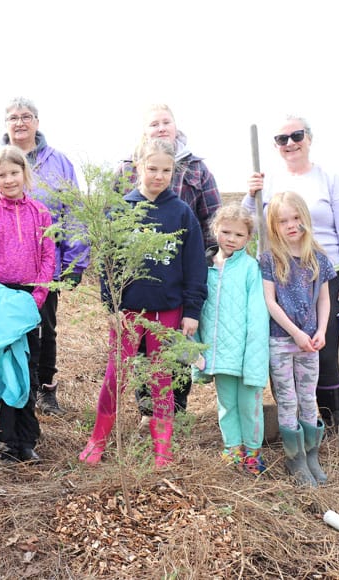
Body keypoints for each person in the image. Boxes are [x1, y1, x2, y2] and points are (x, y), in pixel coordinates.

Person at [78, 138, 206, 468]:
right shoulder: (121, 210)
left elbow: (194, 266)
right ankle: (98, 439)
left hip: (167, 311)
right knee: (115, 376)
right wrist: (112, 305)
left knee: (161, 378)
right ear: (138, 168)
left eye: (166, 170)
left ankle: (162, 448)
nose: (159, 176)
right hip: (128, 311)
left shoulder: (181, 213)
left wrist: (192, 311)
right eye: (152, 169)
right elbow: (108, 263)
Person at [245, 115, 339, 448]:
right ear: (275, 146)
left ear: (309, 138)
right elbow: (251, 221)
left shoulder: (330, 179)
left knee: (321, 352)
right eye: (282, 139)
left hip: (324, 273)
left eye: (296, 135)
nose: (290, 143)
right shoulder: (267, 181)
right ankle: (292, 425)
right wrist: (249, 193)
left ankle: (331, 427)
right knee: (282, 350)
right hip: (279, 273)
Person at [0, 97, 88, 416]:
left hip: (45, 267)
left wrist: (76, 260)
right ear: (5, 124)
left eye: (26, 116)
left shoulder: (59, 162)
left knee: (44, 328)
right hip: (1, 273)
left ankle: (44, 389)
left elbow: (75, 212)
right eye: (13, 117)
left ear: (37, 121)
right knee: (3, 330)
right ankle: (5, 391)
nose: (20, 122)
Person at [119, 104, 223, 419]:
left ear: (176, 127)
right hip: (137, 288)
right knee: (142, 354)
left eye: (167, 122)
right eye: (155, 123)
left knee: (174, 350)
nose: (162, 127)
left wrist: (212, 256)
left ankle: (174, 412)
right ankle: (147, 412)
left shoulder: (196, 170)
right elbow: (111, 224)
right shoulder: (125, 171)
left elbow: (213, 216)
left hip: (177, 279)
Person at [0, 145, 55, 463]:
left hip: (30, 299)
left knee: (28, 369)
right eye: (1, 174)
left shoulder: (40, 213)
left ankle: (26, 439)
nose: (8, 179)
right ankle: (5, 440)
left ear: (24, 174)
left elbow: (48, 255)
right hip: (0, 301)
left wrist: (38, 297)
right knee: (3, 369)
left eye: (14, 173)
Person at [259, 191, 336, 487]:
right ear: (273, 225)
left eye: (296, 218)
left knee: (308, 397)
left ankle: (311, 453)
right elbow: (271, 302)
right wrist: (296, 332)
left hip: (310, 343)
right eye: (283, 220)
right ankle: (295, 460)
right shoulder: (270, 259)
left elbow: (324, 301)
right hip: (282, 341)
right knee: (287, 399)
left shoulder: (317, 258)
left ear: (305, 218)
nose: (291, 225)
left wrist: (320, 331)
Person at [192, 204, 270, 475]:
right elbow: (199, 310)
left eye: (239, 235)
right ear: (215, 231)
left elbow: (258, 316)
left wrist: (255, 357)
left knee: (250, 406)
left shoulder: (250, 269)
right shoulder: (205, 267)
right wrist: (199, 349)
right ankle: (232, 448)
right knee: (227, 404)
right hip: (220, 352)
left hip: (246, 353)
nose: (231, 239)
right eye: (226, 232)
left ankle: (252, 451)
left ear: (248, 238)